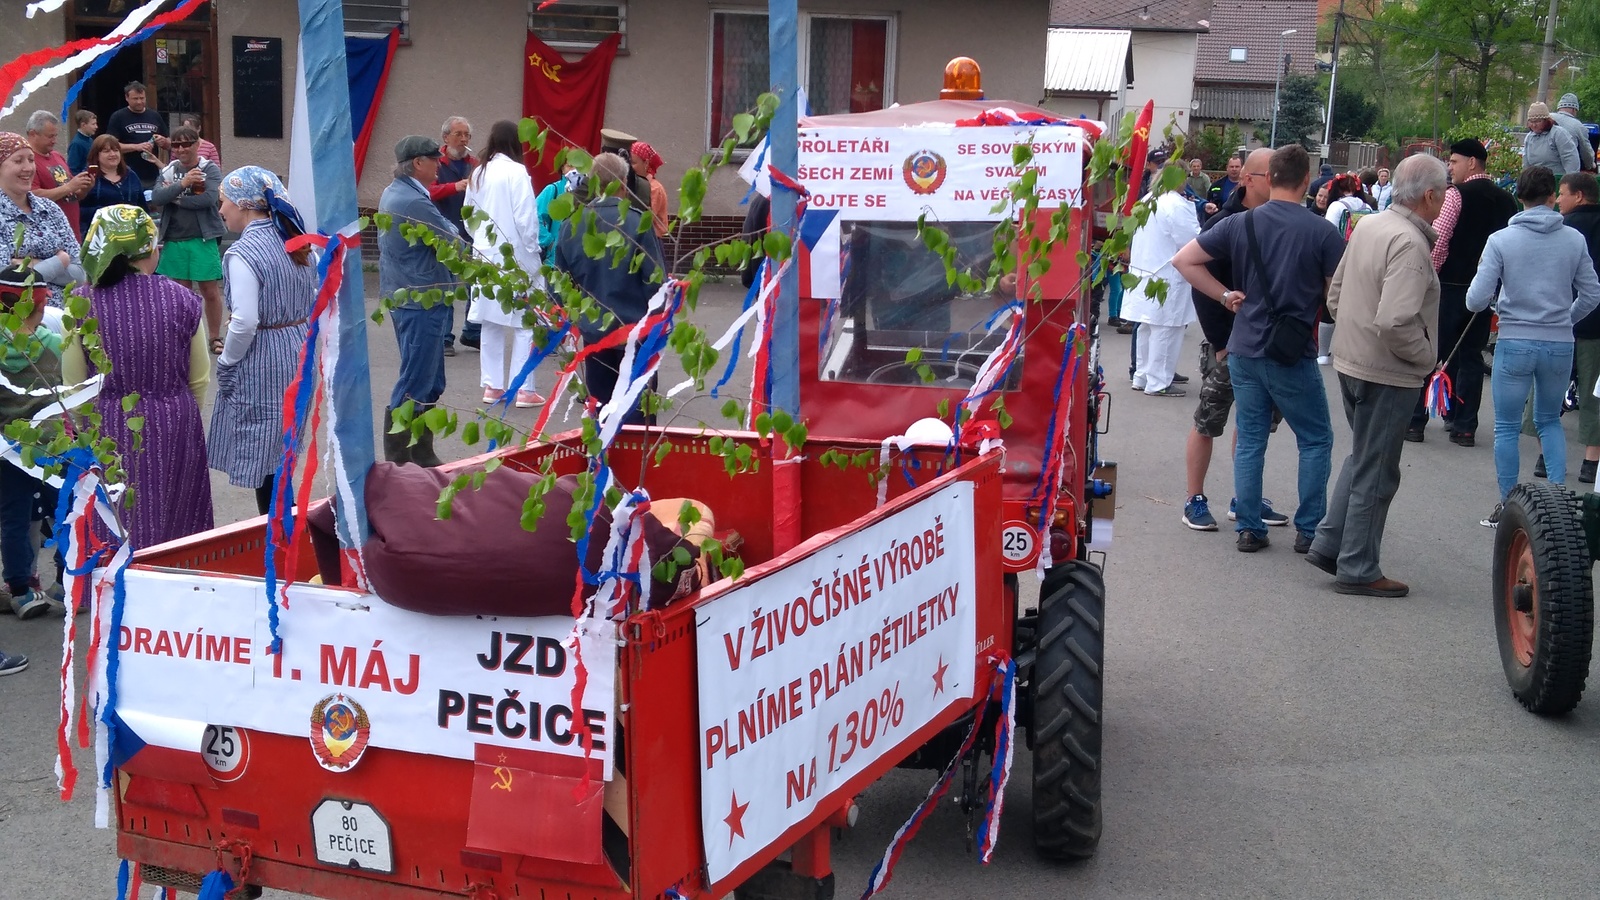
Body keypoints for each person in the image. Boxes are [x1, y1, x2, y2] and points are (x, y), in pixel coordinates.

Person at [1173, 143, 1343, 554]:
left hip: (1243, 347)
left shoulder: (1241, 224)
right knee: (1316, 438)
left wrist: (1224, 294)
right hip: (1291, 351)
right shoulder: (1322, 231)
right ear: (1306, 181)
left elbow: (1184, 261)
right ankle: (1307, 529)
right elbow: (1338, 294)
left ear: (1272, 178)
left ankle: (1249, 527)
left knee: (1249, 438)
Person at [1306, 155, 1449, 598]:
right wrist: (1426, 359)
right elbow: (1394, 321)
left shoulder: (1369, 224)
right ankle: (1358, 565)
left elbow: (1336, 295)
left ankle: (1331, 543)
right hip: (1387, 371)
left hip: (1354, 359)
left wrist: (1353, 333)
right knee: (1378, 471)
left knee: (1362, 458)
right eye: (1442, 194)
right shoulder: (1410, 242)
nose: (1444, 201)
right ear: (1429, 196)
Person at [64, 205, 213, 546]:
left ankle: (112, 592)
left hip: (107, 425)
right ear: (149, 248)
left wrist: (85, 429)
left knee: (111, 521)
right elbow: (200, 378)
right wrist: (183, 414)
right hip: (174, 419)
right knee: (177, 522)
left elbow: (73, 384)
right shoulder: (183, 299)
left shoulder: (81, 303)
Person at [1472, 166, 1600, 527]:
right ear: (1550, 196)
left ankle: (1507, 505)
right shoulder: (1573, 239)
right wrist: (1566, 318)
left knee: (1507, 428)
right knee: (1549, 421)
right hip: (1559, 341)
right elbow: (1592, 293)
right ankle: (1558, 505)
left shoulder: (1501, 240)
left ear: (1520, 198)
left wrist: (1498, 304)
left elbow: (1476, 299)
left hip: (1515, 338)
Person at [1183, 148, 1291, 531]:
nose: (1279, 181)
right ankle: (1194, 499)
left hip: (1267, 344)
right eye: (1270, 174)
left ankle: (1243, 498)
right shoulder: (1227, 222)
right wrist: (1220, 340)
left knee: (1253, 425)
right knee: (1208, 421)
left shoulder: (1280, 219)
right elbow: (1197, 282)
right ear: (1246, 179)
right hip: (1228, 344)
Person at [210, 166, 317, 513]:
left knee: (266, 458)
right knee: (281, 452)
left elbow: (244, 322)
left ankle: (276, 535)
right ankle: (284, 526)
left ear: (243, 204)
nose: (221, 210)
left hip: (266, 358)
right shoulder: (295, 239)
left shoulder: (243, 253)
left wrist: (227, 361)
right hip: (298, 348)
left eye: (223, 201)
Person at [1409, 138, 1519, 445]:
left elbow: (1439, 241)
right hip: (1484, 290)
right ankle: (1464, 424)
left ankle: (1416, 420)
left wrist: (1427, 277)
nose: (1449, 167)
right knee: (1470, 355)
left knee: (1432, 351)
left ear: (1473, 162)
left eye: (1454, 161)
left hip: (1450, 286)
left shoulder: (1457, 195)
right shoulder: (1507, 200)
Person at [554, 152, 666, 424]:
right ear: (622, 184)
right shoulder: (637, 221)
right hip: (636, 333)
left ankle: (602, 463)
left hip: (594, 335)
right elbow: (656, 283)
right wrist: (660, 324)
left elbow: (560, 286)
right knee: (638, 415)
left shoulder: (571, 224)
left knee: (601, 411)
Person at [379, 136, 460, 467]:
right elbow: (452, 239)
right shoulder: (413, 201)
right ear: (417, 163)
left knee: (427, 379)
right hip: (421, 298)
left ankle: (419, 453)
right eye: (433, 158)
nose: (439, 163)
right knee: (416, 380)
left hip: (413, 295)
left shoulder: (400, 194)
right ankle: (401, 460)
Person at [0, 262, 65, 619]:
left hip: (7, 450)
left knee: (14, 518)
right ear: (41, 306)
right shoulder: (53, 345)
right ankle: (66, 580)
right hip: (52, 446)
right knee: (63, 511)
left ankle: (21, 590)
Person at [464, 120, 544, 408]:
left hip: (485, 255)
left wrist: (482, 244)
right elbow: (525, 216)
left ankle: (492, 386)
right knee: (526, 321)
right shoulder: (516, 172)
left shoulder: (478, 173)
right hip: (516, 254)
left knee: (491, 322)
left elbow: (468, 217)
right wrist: (534, 249)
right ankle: (523, 388)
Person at [1124, 164, 1199, 397]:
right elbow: (1192, 241)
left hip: (1144, 274)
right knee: (1167, 329)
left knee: (1147, 326)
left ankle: (1143, 375)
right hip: (1166, 276)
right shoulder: (1176, 204)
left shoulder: (1147, 200)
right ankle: (1159, 381)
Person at [150, 126, 225, 352]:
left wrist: (176, 198)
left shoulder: (208, 168)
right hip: (175, 237)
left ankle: (214, 337)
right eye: (176, 145)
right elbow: (157, 197)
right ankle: (185, 337)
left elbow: (210, 199)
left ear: (196, 144)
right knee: (180, 293)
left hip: (203, 237)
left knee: (209, 290)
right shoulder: (170, 170)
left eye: (186, 144)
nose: (181, 149)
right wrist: (183, 185)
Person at [0, 132, 86, 310]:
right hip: (18, 323)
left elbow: (80, 274)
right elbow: (6, 283)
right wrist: (59, 261)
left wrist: (28, 266)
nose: (28, 168)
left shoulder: (50, 209)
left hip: (66, 319)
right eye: (18, 161)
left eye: (31, 160)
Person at [1562, 173, 1600, 483]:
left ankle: (1546, 456)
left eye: (1562, 194)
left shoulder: (1565, 229)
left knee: (1548, 388)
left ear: (1579, 196)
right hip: (1596, 324)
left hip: (1561, 319)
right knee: (1592, 393)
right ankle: (1591, 460)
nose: (1558, 199)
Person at [429, 116, 478, 355]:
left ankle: (472, 332)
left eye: (467, 135)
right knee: (447, 286)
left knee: (475, 284)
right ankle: (445, 338)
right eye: (458, 134)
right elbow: (427, 191)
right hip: (443, 232)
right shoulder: (435, 162)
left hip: (470, 234)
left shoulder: (475, 164)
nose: (464, 139)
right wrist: (455, 187)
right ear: (445, 137)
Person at [25, 111, 91, 237]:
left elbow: (72, 195)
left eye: (55, 136)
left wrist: (84, 188)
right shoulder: (27, 161)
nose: (54, 141)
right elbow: (32, 196)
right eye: (50, 137)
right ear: (33, 134)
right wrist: (69, 187)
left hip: (72, 233)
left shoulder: (57, 156)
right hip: (50, 237)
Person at [105, 80, 167, 185]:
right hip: (126, 174)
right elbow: (110, 146)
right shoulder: (118, 117)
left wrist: (163, 141)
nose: (139, 102)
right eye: (135, 99)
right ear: (127, 98)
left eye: (142, 98)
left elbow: (169, 142)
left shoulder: (154, 116)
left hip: (152, 175)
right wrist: (136, 147)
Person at [78, 134, 145, 227]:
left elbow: (142, 207)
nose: (112, 154)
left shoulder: (131, 176)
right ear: (96, 155)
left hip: (130, 233)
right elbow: (78, 210)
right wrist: (104, 213)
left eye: (116, 150)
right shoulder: (87, 177)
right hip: (98, 233)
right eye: (106, 151)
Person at [1524, 102, 1581, 180]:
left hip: (1557, 181)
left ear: (1546, 120)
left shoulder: (1558, 133)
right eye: (1531, 122)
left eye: (1538, 121)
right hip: (1537, 183)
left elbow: (1570, 160)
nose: (1534, 125)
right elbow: (1526, 165)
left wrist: (1569, 182)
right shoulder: (1529, 138)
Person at [537, 162, 580, 255]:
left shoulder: (589, 192)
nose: (574, 170)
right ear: (562, 169)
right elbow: (533, 216)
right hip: (555, 260)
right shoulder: (553, 190)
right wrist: (549, 242)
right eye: (570, 165)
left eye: (579, 166)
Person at [630, 140, 671, 238]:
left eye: (633, 163)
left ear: (646, 163)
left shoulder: (654, 189)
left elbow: (644, 221)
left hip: (651, 242)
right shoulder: (638, 185)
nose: (630, 167)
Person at [1553, 93, 1596, 174]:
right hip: (1565, 173)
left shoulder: (1546, 118)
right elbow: (1586, 152)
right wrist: (1590, 165)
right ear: (1574, 109)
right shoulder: (1578, 126)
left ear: (1559, 108)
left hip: (1539, 171)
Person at [66, 109, 97, 174]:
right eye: (93, 124)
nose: (96, 127)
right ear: (83, 125)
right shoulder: (76, 144)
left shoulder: (90, 140)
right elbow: (72, 169)